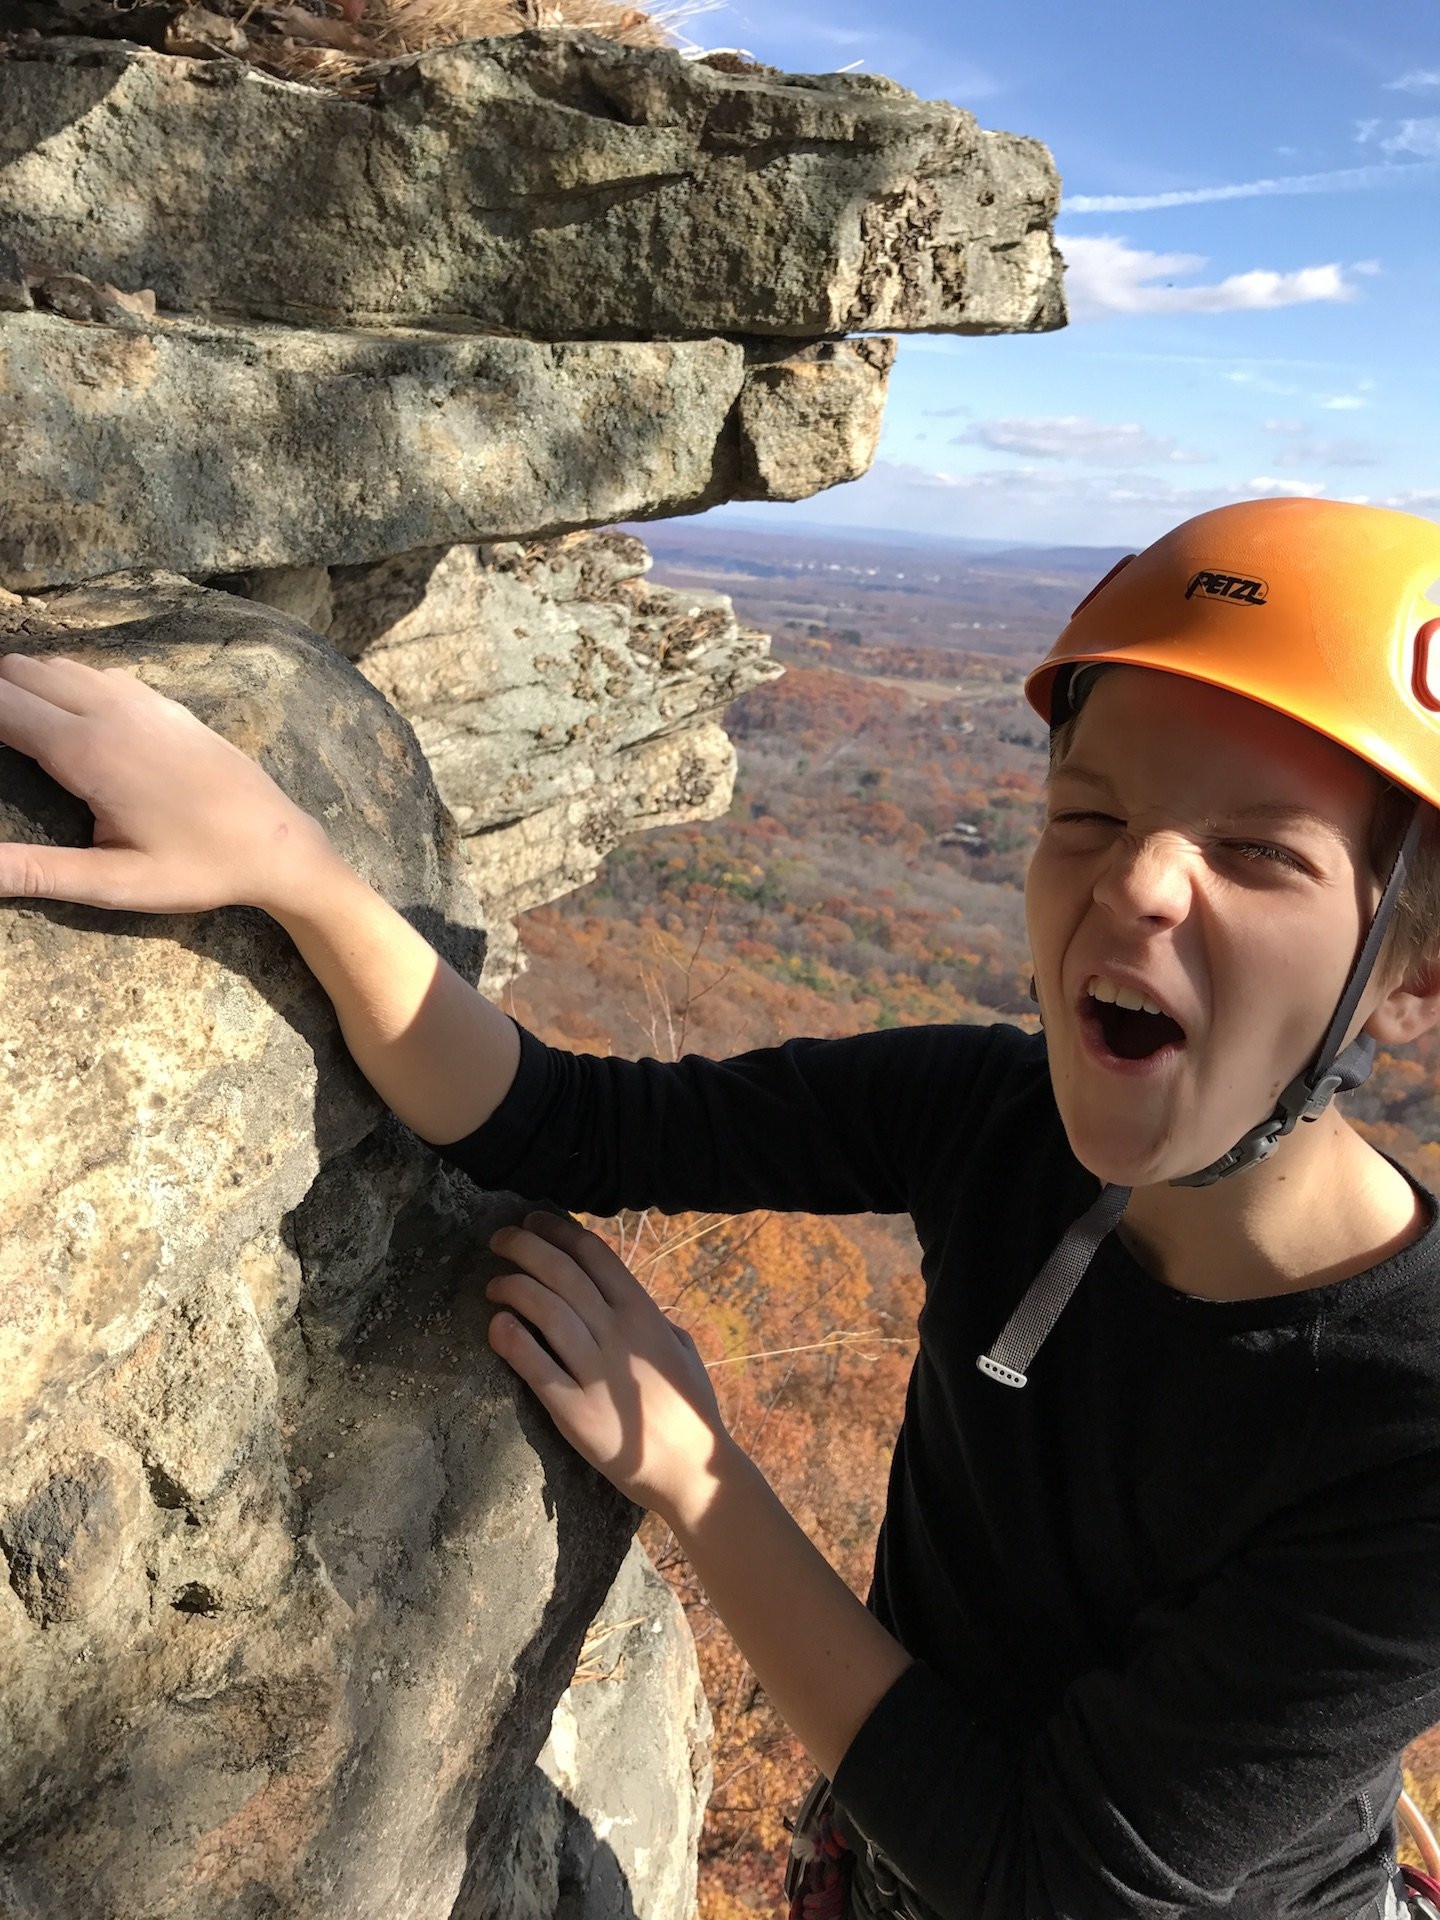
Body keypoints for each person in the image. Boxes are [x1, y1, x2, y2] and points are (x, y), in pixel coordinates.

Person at [4, 495, 1440, 1920]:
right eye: (1088, 812)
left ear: (1413, 973)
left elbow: (1048, 1879)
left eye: (1260, 854)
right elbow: (566, 1123)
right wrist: (285, 864)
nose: (1134, 882)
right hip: (891, 1849)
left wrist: (696, 1472)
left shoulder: (1412, 1428)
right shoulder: (985, 1121)